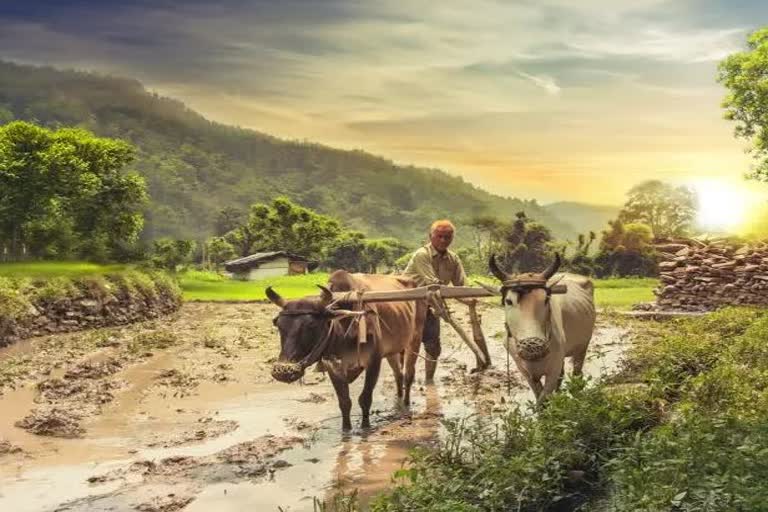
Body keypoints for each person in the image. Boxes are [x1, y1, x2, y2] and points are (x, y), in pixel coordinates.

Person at [403, 220, 467, 384]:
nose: (443, 240)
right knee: (405, 347)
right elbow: (433, 284)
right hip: (408, 306)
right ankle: (403, 381)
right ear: (430, 236)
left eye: (447, 237)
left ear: (452, 238)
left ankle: (429, 382)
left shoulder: (453, 259)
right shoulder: (422, 255)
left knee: (433, 346)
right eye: (439, 236)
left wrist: (471, 300)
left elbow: (462, 287)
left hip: (432, 307)